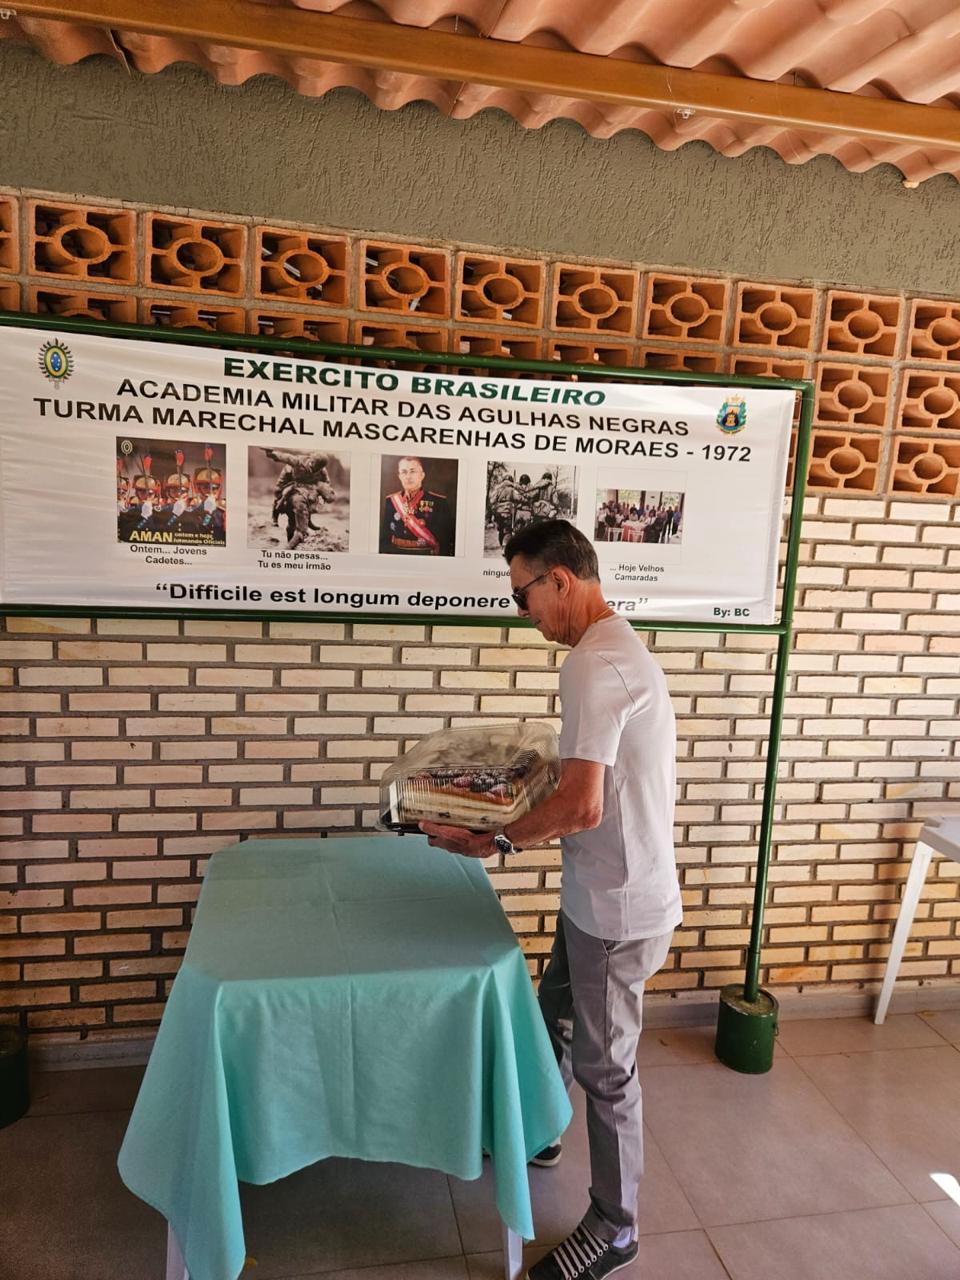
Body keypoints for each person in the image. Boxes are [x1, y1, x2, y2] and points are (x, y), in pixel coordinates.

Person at [422, 519, 681, 1280]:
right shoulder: (612, 651)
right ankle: (536, 1129)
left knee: (608, 1070)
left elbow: (582, 806)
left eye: (522, 595)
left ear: (560, 580)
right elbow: (583, 782)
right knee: (555, 1016)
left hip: (617, 909)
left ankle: (616, 1227)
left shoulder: (594, 666)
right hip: (598, 895)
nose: (522, 612)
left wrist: (495, 840)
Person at [379, 455, 454, 556]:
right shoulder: (391, 501)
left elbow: (446, 540)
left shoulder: (439, 502)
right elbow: (385, 538)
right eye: (404, 472)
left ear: (422, 475)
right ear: (399, 476)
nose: (408, 477)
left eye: (412, 471)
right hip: (396, 553)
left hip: (425, 554)